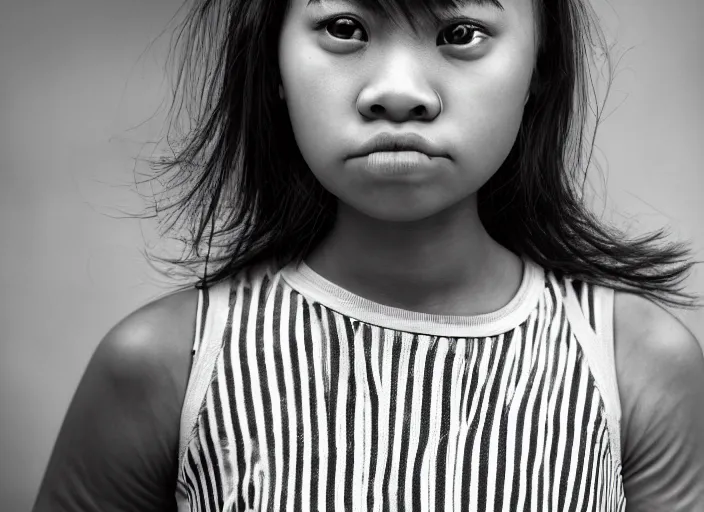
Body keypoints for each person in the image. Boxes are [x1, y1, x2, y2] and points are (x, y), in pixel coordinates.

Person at [33, 0, 704, 510]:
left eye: (460, 33)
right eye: (346, 28)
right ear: (272, 61)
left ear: (541, 67)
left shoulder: (634, 365)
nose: (398, 89)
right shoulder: (165, 366)